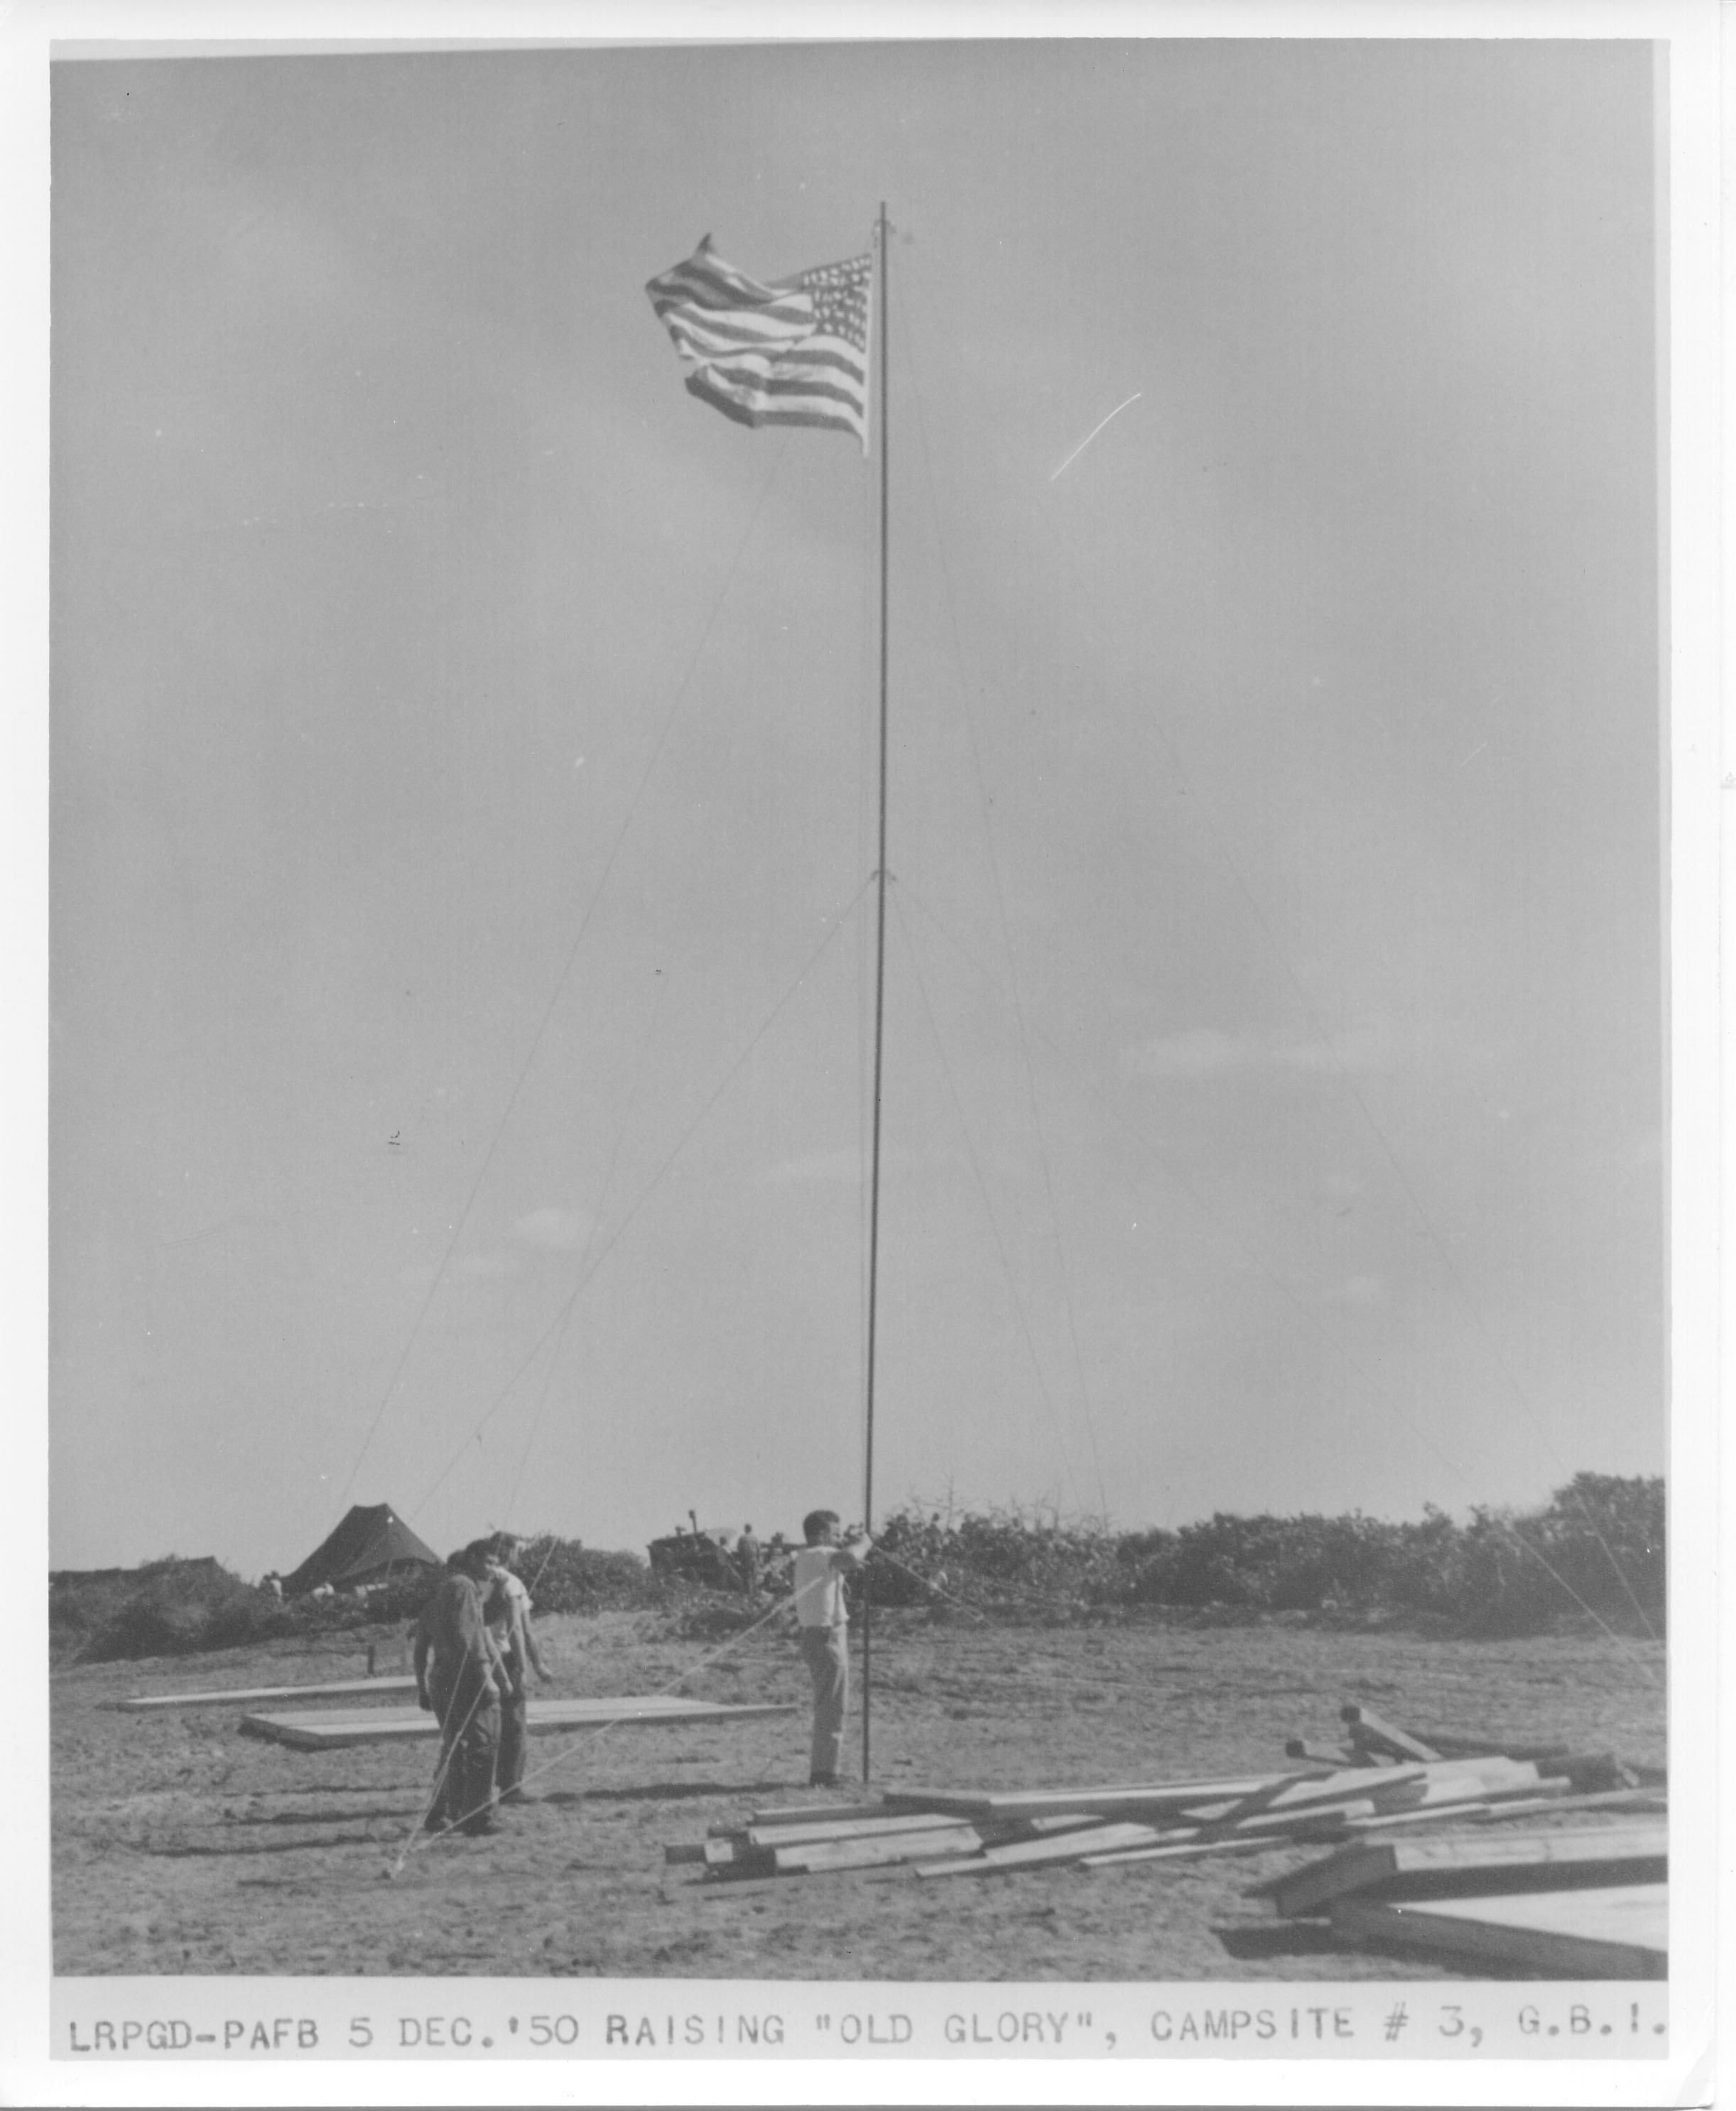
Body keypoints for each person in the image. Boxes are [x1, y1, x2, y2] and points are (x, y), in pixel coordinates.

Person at [413, 1546, 505, 1837]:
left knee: (453, 1748)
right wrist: (487, 1678)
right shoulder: (464, 1588)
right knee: (483, 1745)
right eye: (489, 1562)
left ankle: (442, 1813)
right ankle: (476, 1817)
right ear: (471, 1562)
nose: (493, 1569)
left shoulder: (439, 1595)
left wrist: (422, 1688)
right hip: (464, 1679)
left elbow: (420, 1648)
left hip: (441, 1678)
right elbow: (469, 1639)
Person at [790, 1509, 874, 1789]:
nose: (839, 1540)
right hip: (825, 1637)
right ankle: (825, 1774)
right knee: (832, 1708)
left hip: (822, 1636)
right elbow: (849, 1557)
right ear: (822, 1535)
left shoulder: (813, 1558)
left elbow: (844, 1563)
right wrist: (866, 1542)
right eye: (836, 1534)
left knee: (832, 1705)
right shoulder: (817, 1555)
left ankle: (827, 1769)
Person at [479, 1534, 553, 1804]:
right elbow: (519, 1630)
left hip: (481, 1658)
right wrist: (530, 1665)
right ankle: (511, 1787)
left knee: (486, 1726)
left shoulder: (477, 1579)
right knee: (514, 1725)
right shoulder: (510, 1582)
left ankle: (483, 1788)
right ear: (509, 1552)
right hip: (505, 1658)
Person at [736, 1524, 761, 1597]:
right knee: (754, 1576)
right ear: (751, 1529)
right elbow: (759, 1549)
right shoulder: (755, 1538)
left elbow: (739, 1549)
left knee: (745, 1576)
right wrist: (758, 1560)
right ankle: (755, 1593)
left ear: (745, 1529)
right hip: (754, 1559)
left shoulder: (742, 1538)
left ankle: (745, 1593)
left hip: (745, 1560)